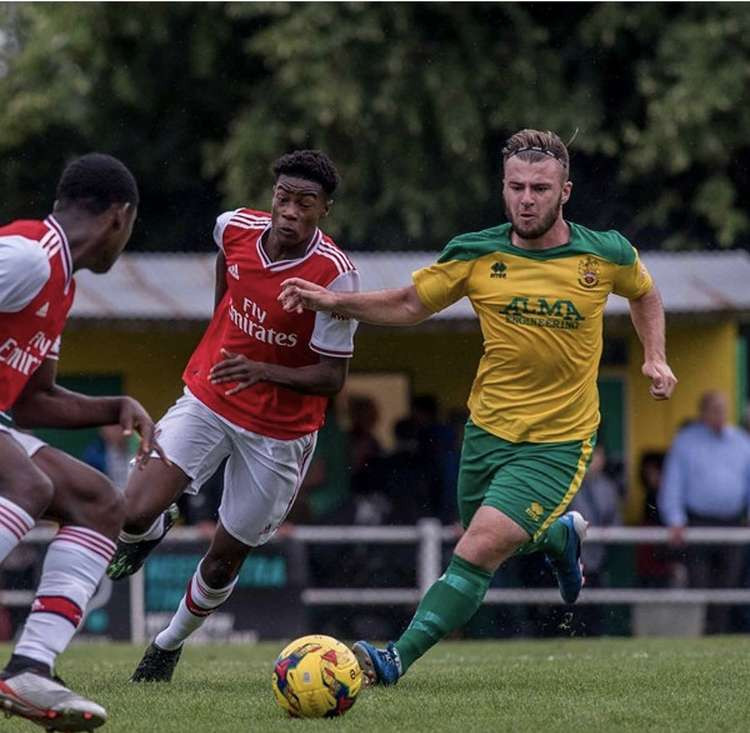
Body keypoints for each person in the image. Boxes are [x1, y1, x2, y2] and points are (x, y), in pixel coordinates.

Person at [280, 128, 677, 685]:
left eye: (540, 187)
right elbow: (410, 303)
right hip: (487, 431)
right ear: (504, 188)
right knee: (487, 536)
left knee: (478, 547)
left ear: (565, 191)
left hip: (558, 442)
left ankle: (394, 658)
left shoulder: (603, 252)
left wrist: (654, 358)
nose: (527, 198)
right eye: (516, 186)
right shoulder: (475, 252)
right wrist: (335, 300)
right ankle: (560, 535)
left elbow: (645, 292)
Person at [106, 150, 359, 682]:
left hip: (279, 434)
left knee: (223, 559)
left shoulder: (334, 277)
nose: (290, 212)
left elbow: (332, 379)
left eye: (305, 204)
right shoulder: (234, 228)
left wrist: (262, 369)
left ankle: (166, 644)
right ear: (273, 197)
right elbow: (229, 273)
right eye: (284, 198)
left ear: (324, 211)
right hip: (211, 397)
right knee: (130, 512)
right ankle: (155, 523)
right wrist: (225, 325)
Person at [0, 154, 163, 730]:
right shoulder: (27, 256)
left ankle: (30, 668)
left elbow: (31, 398)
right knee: (27, 482)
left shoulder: (59, 281)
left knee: (100, 501)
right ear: (119, 217)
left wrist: (113, 407)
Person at [659, 390, 750, 632]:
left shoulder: (742, 442)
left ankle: (717, 633)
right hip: (697, 523)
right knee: (699, 583)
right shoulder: (685, 441)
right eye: (714, 409)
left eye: (723, 409)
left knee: (729, 584)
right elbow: (673, 483)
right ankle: (701, 634)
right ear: (703, 412)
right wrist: (675, 520)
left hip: (734, 523)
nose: (720, 415)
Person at [82, 424, 136, 490]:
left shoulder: (137, 450)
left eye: (120, 425)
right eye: (112, 426)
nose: (118, 430)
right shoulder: (94, 456)